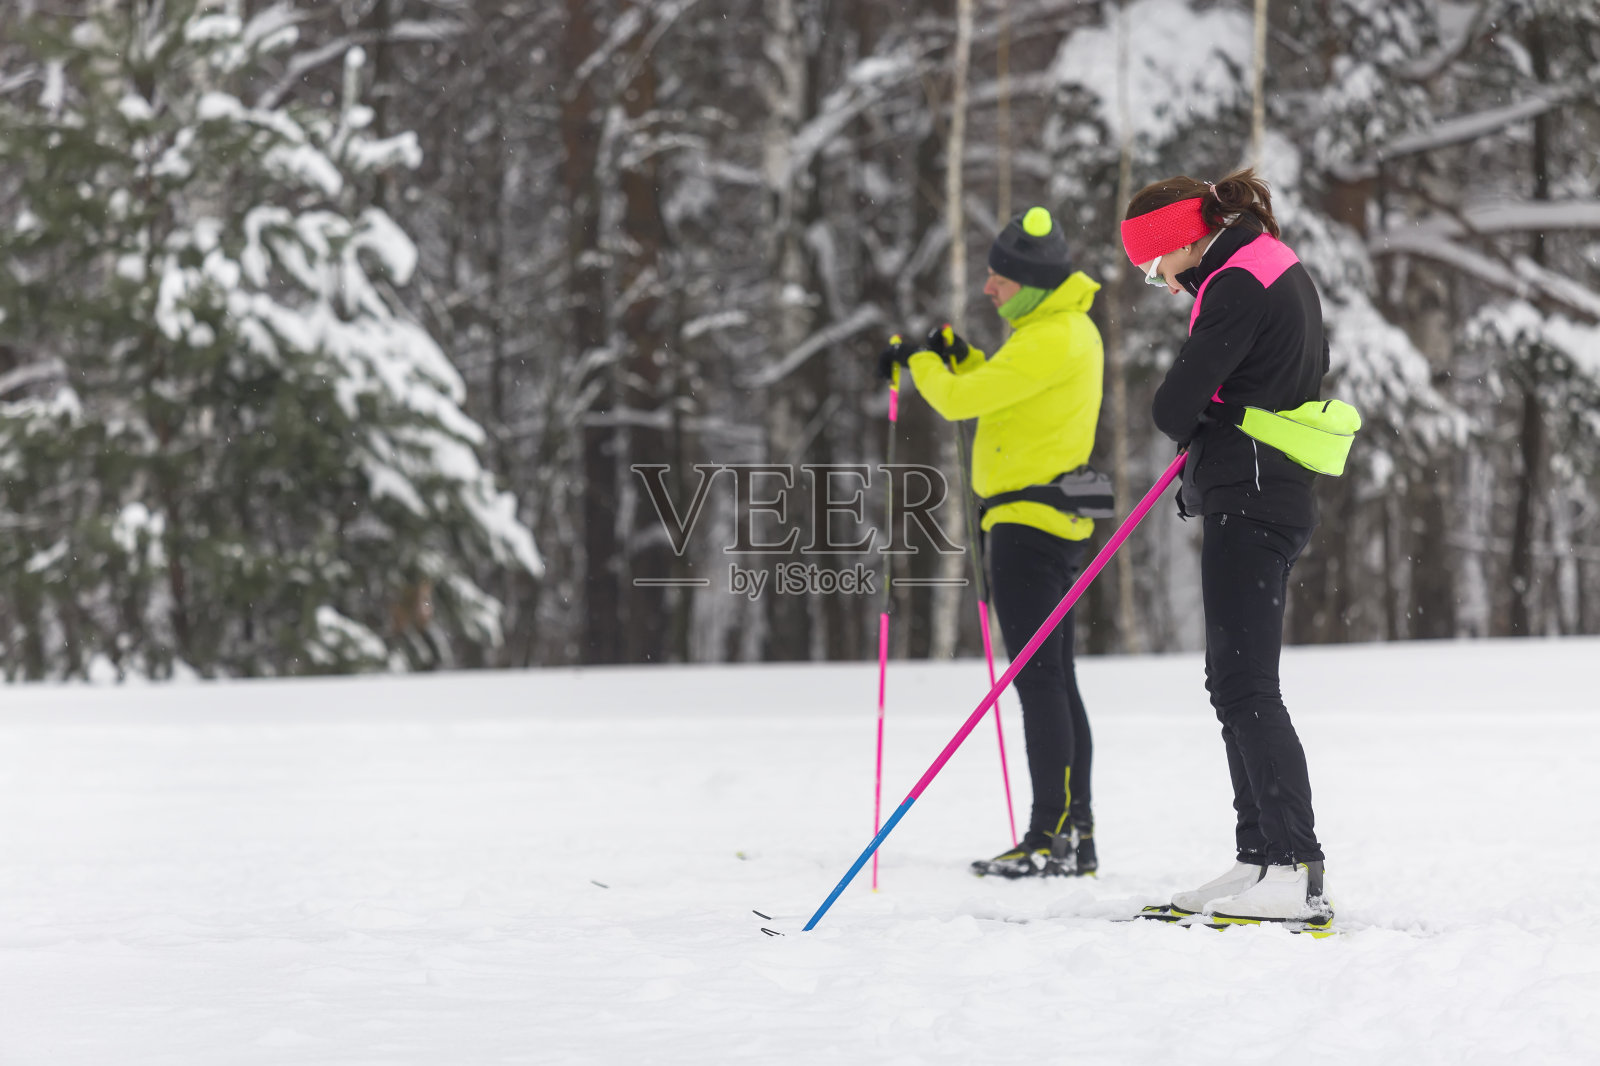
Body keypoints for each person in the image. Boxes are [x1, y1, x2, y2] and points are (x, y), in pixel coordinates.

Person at [1120, 168, 1333, 924]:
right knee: (1232, 682)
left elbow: (1173, 405)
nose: (1160, 282)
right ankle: (1258, 857)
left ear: (1179, 238)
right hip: (1266, 488)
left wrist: (1204, 411)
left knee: (1246, 686)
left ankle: (1295, 867)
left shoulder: (1236, 280)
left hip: (1252, 494)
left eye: (1153, 265)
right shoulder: (1271, 260)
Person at [878, 206, 1104, 879]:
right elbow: (1005, 397)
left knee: (1040, 682)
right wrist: (963, 357)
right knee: (1055, 680)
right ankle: (1072, 834)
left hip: (1028, 526)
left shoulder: (1052, 336)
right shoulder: (1053, 331)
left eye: (999, 278)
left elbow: (959, 403)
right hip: (1043, 521)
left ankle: (1050, 837)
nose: (988, 289)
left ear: (1031, 282)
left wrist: (922, 360)